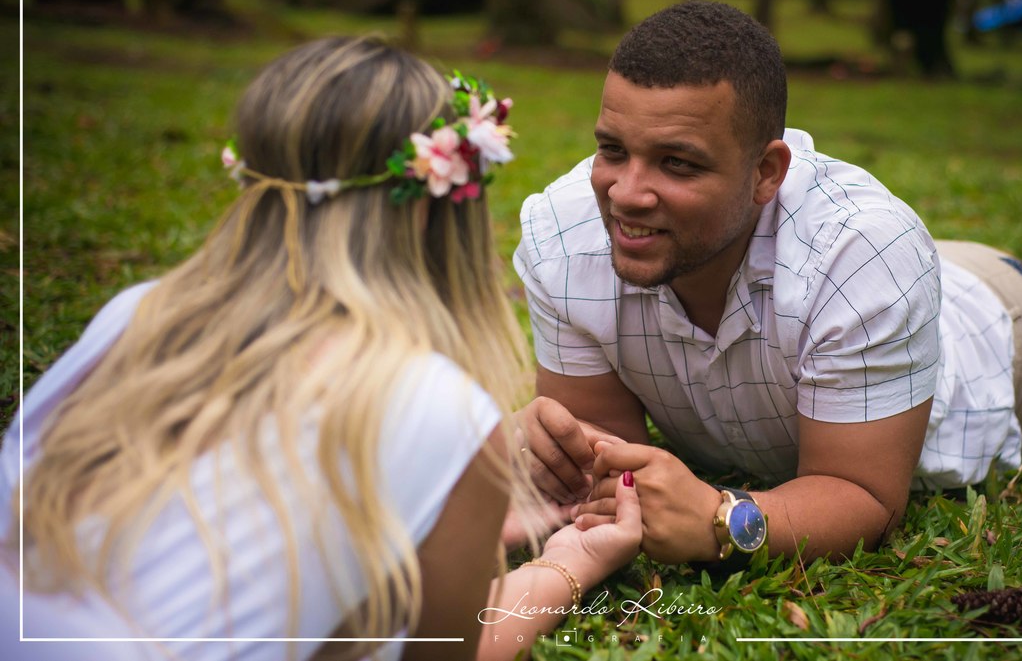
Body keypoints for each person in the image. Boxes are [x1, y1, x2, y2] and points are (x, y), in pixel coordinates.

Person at [0, 37, 642, 661]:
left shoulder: (138, 313)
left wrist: (435, 525)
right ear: (434, 205)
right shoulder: (438, 405)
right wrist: (568, 563)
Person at [514, 0, 1022, 572]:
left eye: (677, 163)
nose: (626, 194)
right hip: (897, 289)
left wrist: (724, 520)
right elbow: (605, 466)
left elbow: (863, 494)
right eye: (613, 150)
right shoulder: (564, 233)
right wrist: (561, 470)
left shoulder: (864, 252)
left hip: (1009, 345)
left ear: (766, 172)